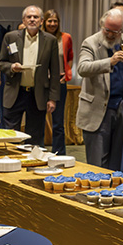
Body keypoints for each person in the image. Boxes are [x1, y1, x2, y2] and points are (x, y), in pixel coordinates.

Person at [76, 8, 123, 168]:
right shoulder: (90, 43)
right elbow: (83, 68)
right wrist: (109, 62)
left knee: (118, 161)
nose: (110, 34)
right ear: (102, 25)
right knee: (98, 163)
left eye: (115, 31)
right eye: (107, 30)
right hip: (98, 108)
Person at [0, 5, 60, 146]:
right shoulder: (11, 37)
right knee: (10, 135)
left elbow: (55, 72)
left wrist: (53, 98)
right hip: (15, 92)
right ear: (23, 21)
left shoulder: (50, 40)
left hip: (37, 94)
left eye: (36, 17)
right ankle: (9, 164)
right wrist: (12, 67)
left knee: (35, 137)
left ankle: (32, 165)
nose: (32, 20)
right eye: (29, 17)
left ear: (41, 21)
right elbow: (1, 63)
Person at [42, 9, 74, 155]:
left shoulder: (66, 37)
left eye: (55, 21)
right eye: (50, 21)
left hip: (59, 83)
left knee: (58, 122)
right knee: (39, 120)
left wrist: (67, 74)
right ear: (44, 22)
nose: (52, 24)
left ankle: (59, 154)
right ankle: (38, 152)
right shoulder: (39, 37)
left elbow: (70, 57)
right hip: (41, 84)